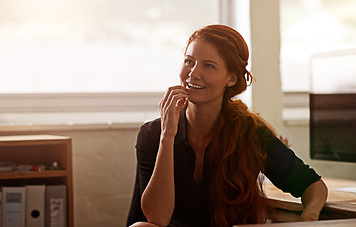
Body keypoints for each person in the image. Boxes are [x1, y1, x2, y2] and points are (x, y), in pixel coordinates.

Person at [126, 25, 328, 227]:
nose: (193, 73)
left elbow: (313, 186)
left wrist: (309, 218)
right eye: (189, 61)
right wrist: (167, 136)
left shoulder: (250, 133)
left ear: (231, 78)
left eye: (208, 66)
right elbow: (157, 218)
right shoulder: (153, 134)